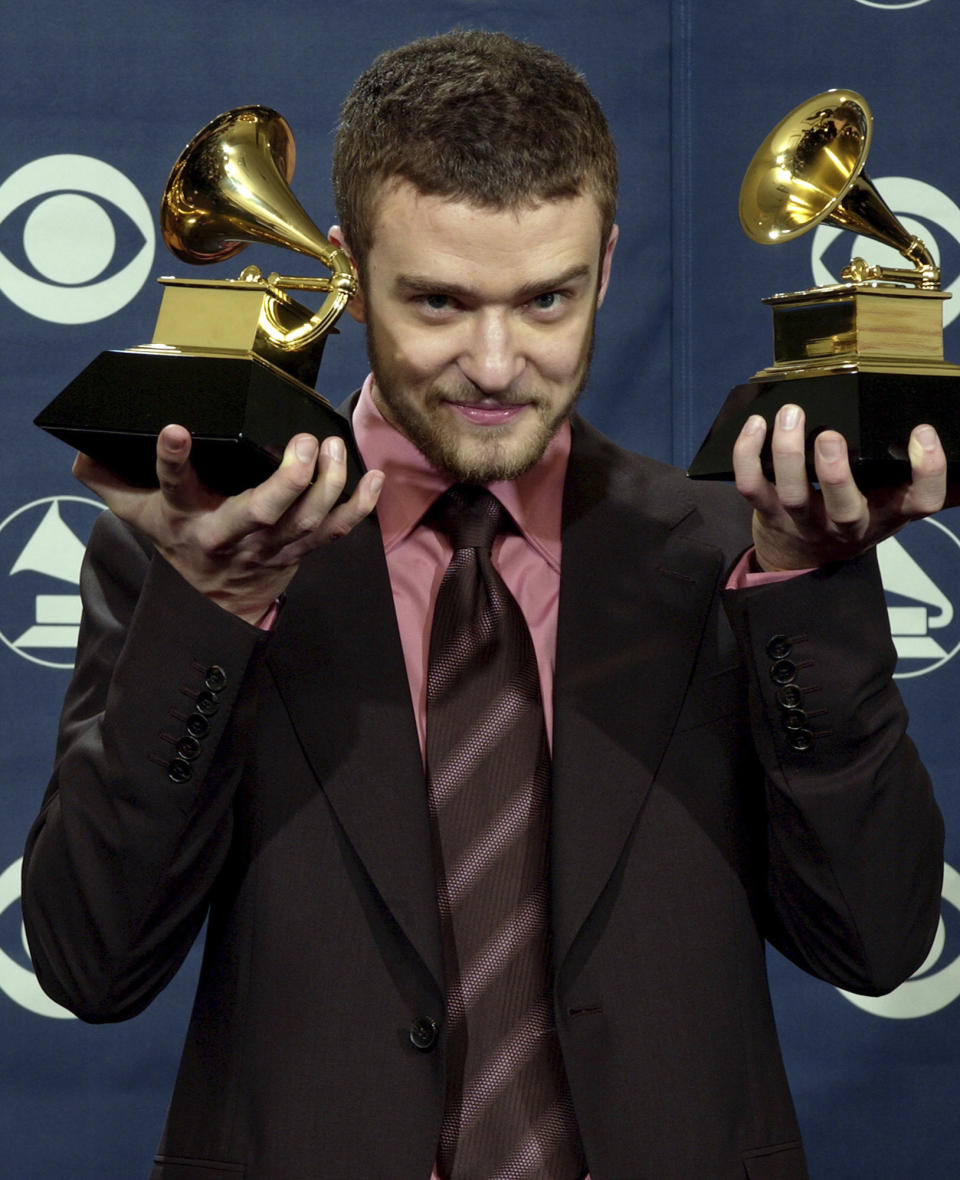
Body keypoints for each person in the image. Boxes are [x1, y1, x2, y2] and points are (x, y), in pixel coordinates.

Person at [22, 29, 946, 1180]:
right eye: (441, 303)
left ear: (607, 268)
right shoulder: (200, 550)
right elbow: (87, 965)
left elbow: (876, 941)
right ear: (349, 274)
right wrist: (218, 602)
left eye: (548, 299)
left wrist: (808, 589)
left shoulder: (735, 556)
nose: (498, 363)